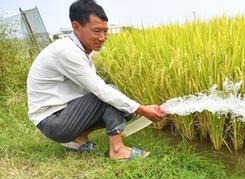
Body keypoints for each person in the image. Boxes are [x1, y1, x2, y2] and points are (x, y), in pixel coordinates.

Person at [27, 0, 166, 160]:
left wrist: (131, 108)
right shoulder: (67, 52)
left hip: (62, 114)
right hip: (52, 121)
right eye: (97, 31)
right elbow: (101, 91)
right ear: (76, 27)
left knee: (123, 109)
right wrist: (141, 108)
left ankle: (78, 138)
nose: (102, 37)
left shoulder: (81, 49)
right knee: (108, 95)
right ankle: (117, 150)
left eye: (105, 31)